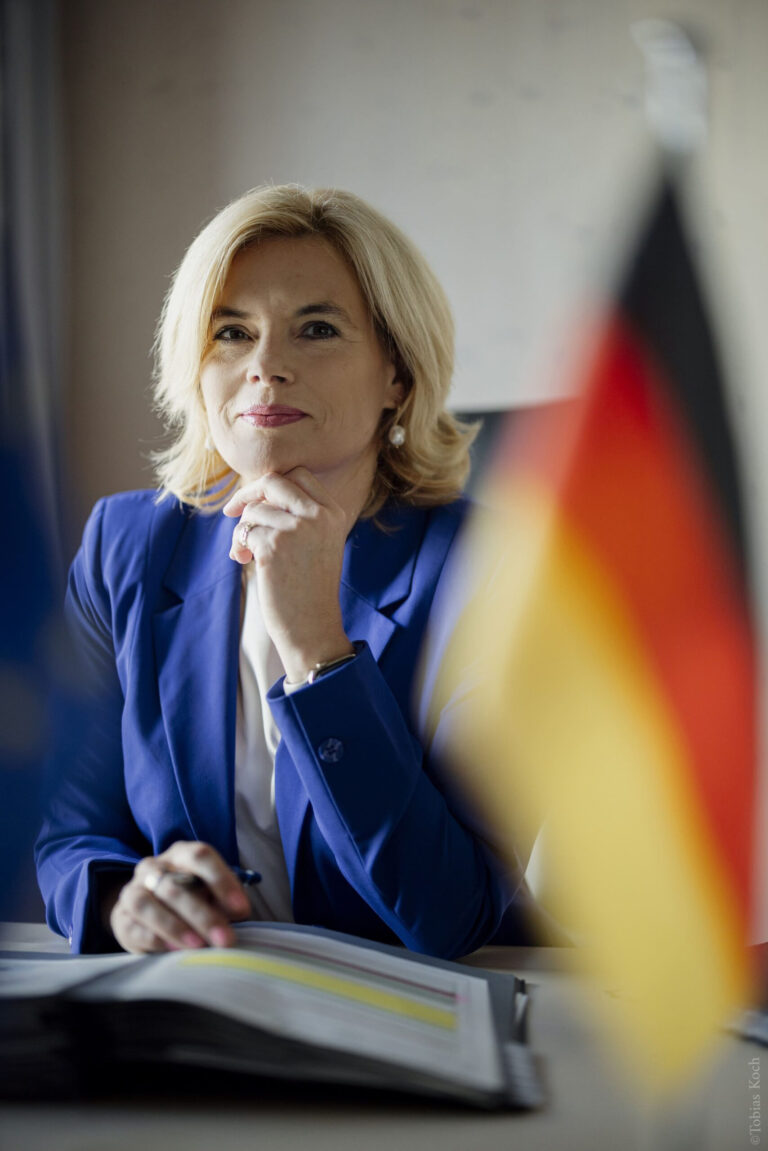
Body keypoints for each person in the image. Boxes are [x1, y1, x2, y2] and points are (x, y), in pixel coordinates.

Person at [35, 184, 518, 957]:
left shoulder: (490, 569)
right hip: (195, 995)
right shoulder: (124, 545)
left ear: (396, 374)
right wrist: (123, 897)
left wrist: (318, 651)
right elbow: (71, 830)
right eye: (231, 332)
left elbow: (452, 912)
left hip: (404, 1009)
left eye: (316, 329)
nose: (265, 367)